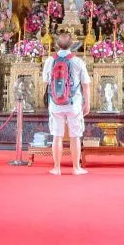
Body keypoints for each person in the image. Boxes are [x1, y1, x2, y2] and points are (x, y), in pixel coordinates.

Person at [41, 32, 91, 175]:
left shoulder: (50, 60)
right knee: (75, 136)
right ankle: (76, 168)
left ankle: (57, 168)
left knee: (57, 136)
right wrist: (87, 103)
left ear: (57, 44)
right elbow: (85, 84)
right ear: (72, 44)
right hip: (74, 103)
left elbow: (45, 81)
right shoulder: (77, 61)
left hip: (56, 103)